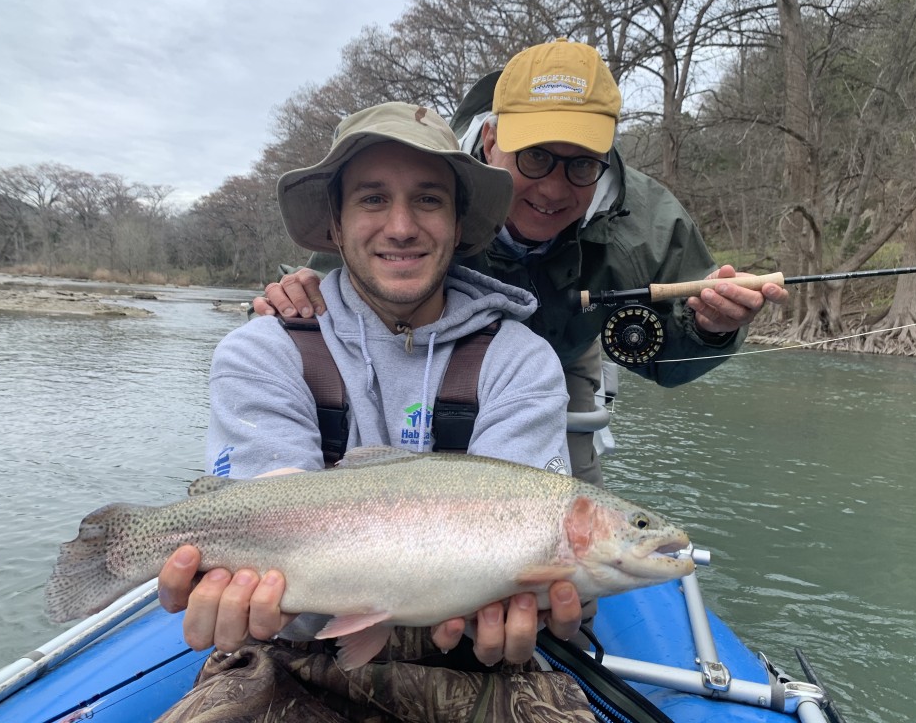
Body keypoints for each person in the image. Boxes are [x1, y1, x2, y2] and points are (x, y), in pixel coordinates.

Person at [156, 102, 590, 722]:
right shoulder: (262, 350)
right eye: (372, 199)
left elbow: (518, 562)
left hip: (474, 655)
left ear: (460, 222)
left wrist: (534, 602)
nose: (402, 226)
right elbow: (265, 506)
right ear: (334, 224)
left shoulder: (521, 361)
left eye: (429, 200)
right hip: (292, 647)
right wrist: (257, 593)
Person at [252, 39, 789, 489]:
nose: (554, 189)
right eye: (534, 157)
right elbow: (350, 276)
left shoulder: (649, 225)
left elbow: (663, 357)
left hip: (562, 353)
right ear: (490, 140)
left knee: (561, 510)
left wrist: (709, 330)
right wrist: (300, 296)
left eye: (581, 165)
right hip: (422, 350)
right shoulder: (421, 183)